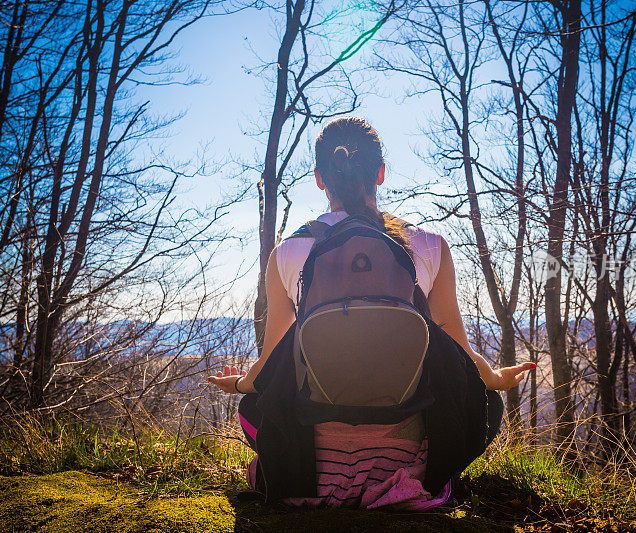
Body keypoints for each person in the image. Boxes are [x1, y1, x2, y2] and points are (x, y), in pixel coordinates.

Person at [208, 116, 535, 509]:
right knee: (490, 405)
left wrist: (241, 384)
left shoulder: (286, 254)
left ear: (319, 178)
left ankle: (322, 480)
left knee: (250, 407)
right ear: (380, 173)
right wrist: (495, 378)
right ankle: (417, 481)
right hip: (410, 461)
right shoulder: (430, 246)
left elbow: (271, 367)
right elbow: (459, 353)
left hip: (312, 467)